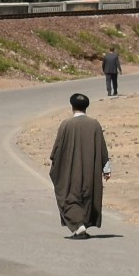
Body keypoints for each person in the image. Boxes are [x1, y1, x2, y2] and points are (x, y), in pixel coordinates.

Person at [47, 90, 112, 238]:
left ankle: (78, 224)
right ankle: (82, 225)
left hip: (70, 170)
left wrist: (56, 164)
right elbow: (102, 149)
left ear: (72, 107)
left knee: (69, 195)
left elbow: (57, 149)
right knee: (87, 195)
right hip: (90, 170)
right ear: (86, 107)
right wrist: (106, 169)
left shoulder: (66, 125)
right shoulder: (95, 124)